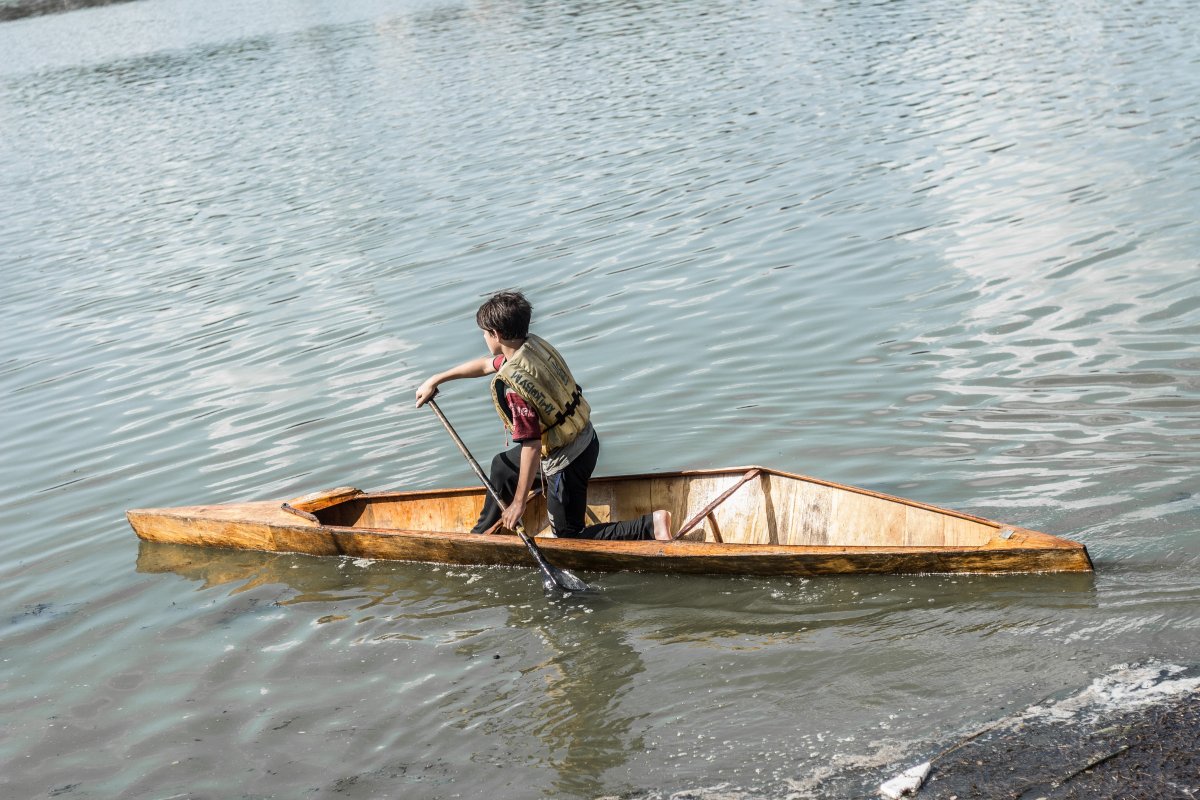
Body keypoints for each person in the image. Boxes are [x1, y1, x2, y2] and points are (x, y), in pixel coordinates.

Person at [415, 291, 671, 541]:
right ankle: (482, 537)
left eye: (484, 332)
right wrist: (436, 379)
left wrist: (518, 503)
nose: (483, 337)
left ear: (497, 335)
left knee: (569, 537)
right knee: (503, 467)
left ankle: (650, 526)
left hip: (566, 461)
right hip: (585, 440)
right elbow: (484, 366)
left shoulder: (514, 388)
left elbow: (532, 446)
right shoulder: (528, 348)